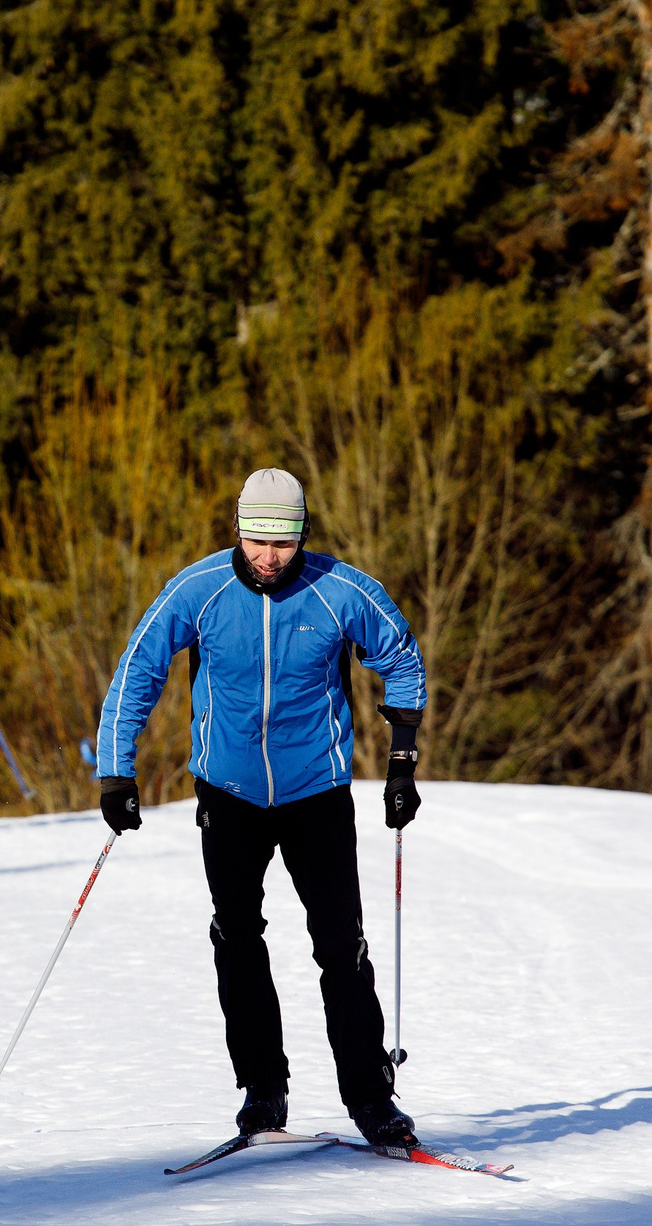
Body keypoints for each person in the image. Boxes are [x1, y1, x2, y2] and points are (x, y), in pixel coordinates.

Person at [94, 468, 427, 1147]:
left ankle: (371, 1097)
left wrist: (402, 764)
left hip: (318, 793)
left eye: (282, 541)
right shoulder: (201, 589)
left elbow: (402, 659)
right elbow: (137, 670)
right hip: (230, 795)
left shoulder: (341, 591)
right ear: (237, 531)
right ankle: (263, 1090)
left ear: (302, 534)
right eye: (255, 540)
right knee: (237, 936)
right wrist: (115, 772)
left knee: (342, 947)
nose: (268, 556)